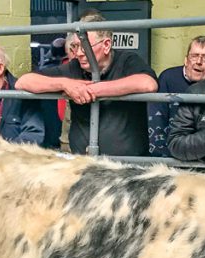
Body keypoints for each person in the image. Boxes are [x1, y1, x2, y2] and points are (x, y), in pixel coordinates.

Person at [15, 12, 157, 156]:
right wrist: (65, 84)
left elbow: (148, 83)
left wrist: (94, 89)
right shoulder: (74, 67)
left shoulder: (127, 60)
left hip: (127, 168)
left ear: (106, 45)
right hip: (85, 164)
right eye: (75, 46)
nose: (79, 53)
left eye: (85, 46)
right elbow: (23, 82)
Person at [148, 35, 205, 157]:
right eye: (194, 56)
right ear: (186, 60)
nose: (198, 62)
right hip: (169, 154)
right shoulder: (168, 78)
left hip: (204, 155)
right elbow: (156, 123)